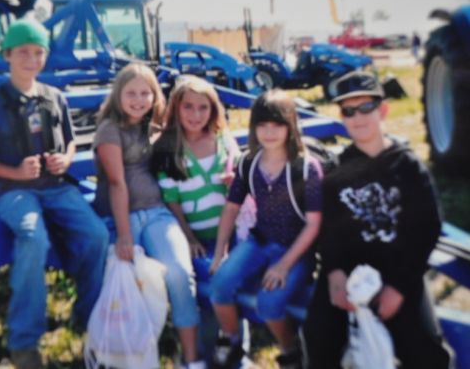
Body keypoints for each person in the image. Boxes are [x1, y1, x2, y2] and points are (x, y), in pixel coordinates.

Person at [0, 19, 109, 369]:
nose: (31, 58)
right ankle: (24, 341)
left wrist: (66, 158)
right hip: (10, 191)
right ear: (8, 55)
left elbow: (72, 141)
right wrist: (14, 172)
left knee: (97, 235)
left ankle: (88, 316)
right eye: (24, 52)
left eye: (39, 52)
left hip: (54, 187)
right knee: (33, 237)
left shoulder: (54, 97)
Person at [302, 70, 452, 368]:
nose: (358, 117)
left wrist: (398, 286)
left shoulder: (407, 165)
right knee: (318, 335)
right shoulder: (339, 169)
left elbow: (426, 229)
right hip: (348, 269)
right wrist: (333, 274)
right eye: (349, 110)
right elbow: (329, 231)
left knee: (426, 350)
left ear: (382, 110)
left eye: (366, 107)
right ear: (342, 116)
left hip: (398, 269)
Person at [92, 64, 205, 369]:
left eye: (146, 93)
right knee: (132, 282)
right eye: (131, 92)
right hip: (120, 218)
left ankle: (191, 358)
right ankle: (129, 356)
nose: (139, 99)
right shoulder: (109, 130)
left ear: (156, 96)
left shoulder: (152, 129)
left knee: (180, 274)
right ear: (118, 95)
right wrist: (125, 235)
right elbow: (117, 183)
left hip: (156, 214)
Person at [209, 90, 323, 369]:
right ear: (253, 127)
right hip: (260, 241)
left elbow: (314, 223)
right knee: (219, 286)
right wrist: (220, 251)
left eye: (277, 125)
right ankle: (233, 340)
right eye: (262, 125)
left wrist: (284, 265)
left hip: (296, 250)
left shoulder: (306, 168)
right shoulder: (248, 163)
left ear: (290, 126)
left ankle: (291, 351)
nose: (269, 132)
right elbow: (231, 209)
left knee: (268, 304)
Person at [152, 75, 241, 258]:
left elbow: (244, 183)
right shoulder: (168, 149)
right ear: (176, 108)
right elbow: (172, 202)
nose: (196, 115)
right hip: (198, 242)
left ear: (213, 109)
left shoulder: (223, 140)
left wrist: (237, 182)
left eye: (203, 107)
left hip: (235, 235)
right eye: (188, 107)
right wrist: (190, 239)